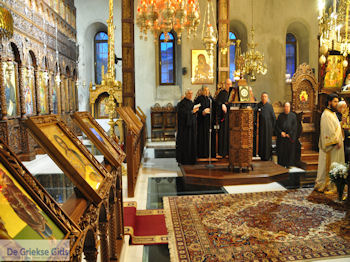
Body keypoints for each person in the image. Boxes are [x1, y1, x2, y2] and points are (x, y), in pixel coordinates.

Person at [315, 93, 345, 193]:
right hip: (332, 146)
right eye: (335, 101)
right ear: (329, 102)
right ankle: (328, 185)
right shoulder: (326, 114)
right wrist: (335, 141)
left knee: (336, 165)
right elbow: (328, 130)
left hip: (336, 146)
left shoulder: (332, 113)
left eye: (337, 101)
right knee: (330, 166)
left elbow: (336, 127)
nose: (337, 104)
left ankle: (336, 185)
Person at [176, 89, 198, 165]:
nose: (191, 95)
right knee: (185, 143)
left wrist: (195, 112)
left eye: (191, 93)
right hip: (184, 129)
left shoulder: (191, 103)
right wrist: (192, 112)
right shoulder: (182, 103)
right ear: (186, 94)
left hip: (191, 127)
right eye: (189, 93)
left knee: (191, 142)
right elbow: (182, 114)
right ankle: (184, 160)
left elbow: (192, 113)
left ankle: (191, 159)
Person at [195, 86, 215, 158]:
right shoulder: (199, 99)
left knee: (209, 137)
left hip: (209, 121)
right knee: (202, 137)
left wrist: (211, 110)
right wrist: (202, 112)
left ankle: (209, 153)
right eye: (205, 90)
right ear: (202, 91)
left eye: (208, 90)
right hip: (201, 121)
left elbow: (214, 107)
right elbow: (196, 109)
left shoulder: (210, 99)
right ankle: (202, 154)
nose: (207, 92)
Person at [275, 102, 297, 167]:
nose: (286, 108)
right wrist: (281, 132)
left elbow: (295, 127)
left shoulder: (293, 116)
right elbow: (277, 126)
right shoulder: (280, 116)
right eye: (285, 106)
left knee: (289, 152)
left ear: (290, 108)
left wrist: (289, 134)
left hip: (289, 138)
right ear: (284, 107)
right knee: (281, 152)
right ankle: (281, 165)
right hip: (282, 138)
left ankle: (289, 165)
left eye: (288, 107)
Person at [256, 92, 276, 161]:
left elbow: (273, 117)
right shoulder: (258, 105)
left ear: (267, 98)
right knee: (261, 141)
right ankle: (261, 155)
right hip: (260, 128)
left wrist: (273, 129)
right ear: (261, 97)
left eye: (265, 97)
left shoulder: (270, 106)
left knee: (267, 142)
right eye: (263, 96)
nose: (264, 98)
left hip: (268, 128)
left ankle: (267, 156)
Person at [215, 78, 232, 157]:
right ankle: (223, 152)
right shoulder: (222, 93)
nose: (229, 85)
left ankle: (230, 152)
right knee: (224, 134)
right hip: (224, 118)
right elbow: (217, 103)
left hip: (232, 117)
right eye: (228, 84)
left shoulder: (233, 93)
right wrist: (222, 104)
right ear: (225, 85)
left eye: (230, 84)